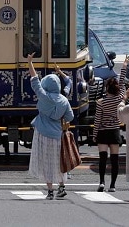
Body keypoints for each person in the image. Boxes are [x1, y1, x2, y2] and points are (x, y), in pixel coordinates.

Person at [27, 52, 74, 200]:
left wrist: (29, 62)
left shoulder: (44, 96)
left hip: (42, 133)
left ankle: (50, 191)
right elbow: (70, 116)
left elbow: (34, 79)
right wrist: (60, 72)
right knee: (58, 161)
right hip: (58, 134)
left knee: (47, 163)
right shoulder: (64, 100)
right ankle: (61, 187)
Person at [91, 58, 128, 192]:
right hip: (114, 131)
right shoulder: (120, 98)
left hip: (102, 131)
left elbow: (97, 120)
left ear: (106, 88)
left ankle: (101, 182)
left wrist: (94, 135)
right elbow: (122, 82)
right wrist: (124, 67)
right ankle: (112, 185)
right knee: (114, 159)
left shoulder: (101, 102)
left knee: (102, 158)